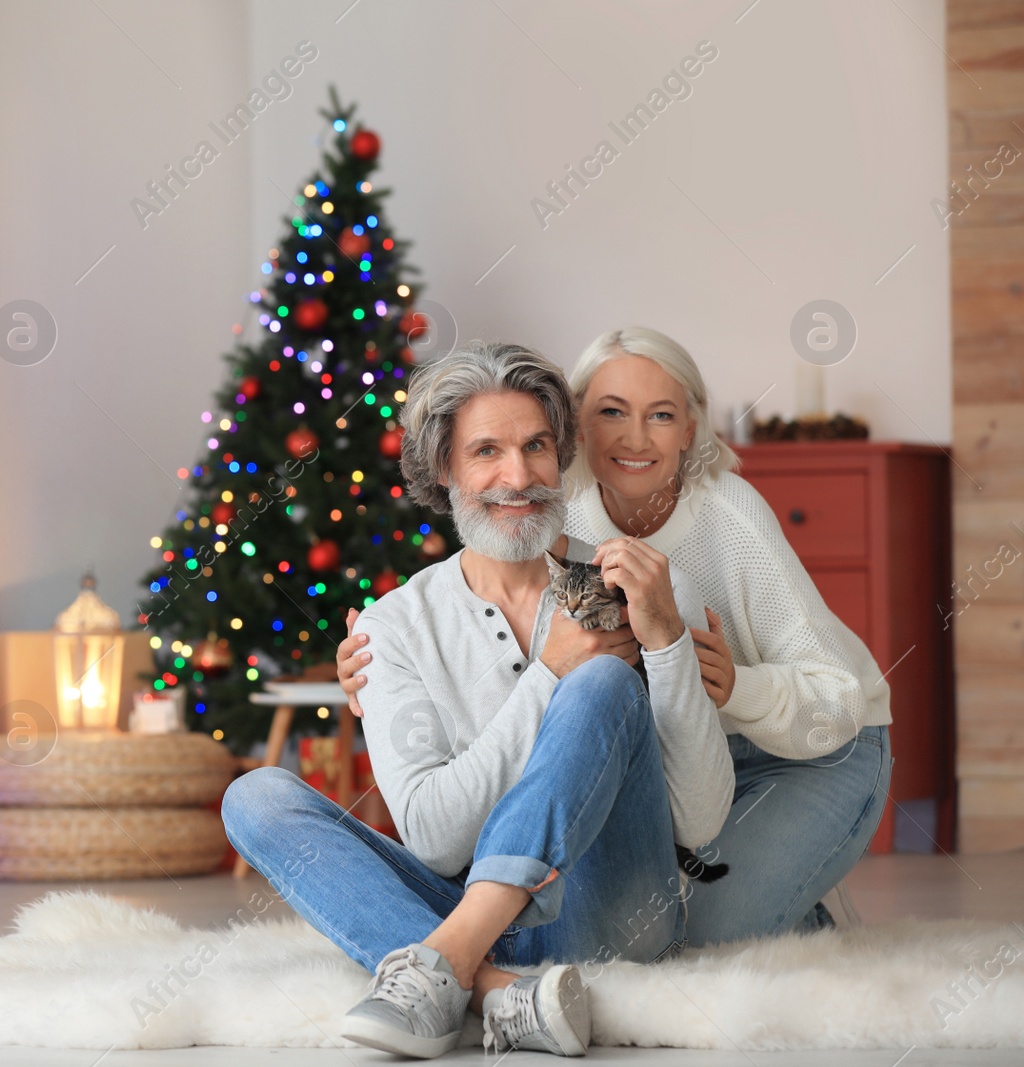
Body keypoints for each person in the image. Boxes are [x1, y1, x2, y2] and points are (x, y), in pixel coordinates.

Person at [221, 341, 733, 1059]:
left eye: (536, 446)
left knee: (604, 679)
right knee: (255, 797)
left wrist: (668, 643)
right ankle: (499, 989)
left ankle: (444, 965)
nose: (517, 476)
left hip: (611, 917)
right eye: (486, 450)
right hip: (459, 900)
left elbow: (702, 819)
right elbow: (432, 837)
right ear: (445, 467)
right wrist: (546, 675)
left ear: (562, 456)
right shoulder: (394, 626)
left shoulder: (642, 584)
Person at [337, 326, 893, 947]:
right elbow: (487, 596)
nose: (634, 438)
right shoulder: (549, 504)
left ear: (689, 429)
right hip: (690, 741)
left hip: (810, 739)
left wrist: (734, 683)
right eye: (611, 413)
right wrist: (380, 662)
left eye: (660, 415)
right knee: (659, 910)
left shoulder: (731, 518)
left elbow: (836, 699)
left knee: (704, 939)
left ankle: (795, 895)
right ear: (579, 429)